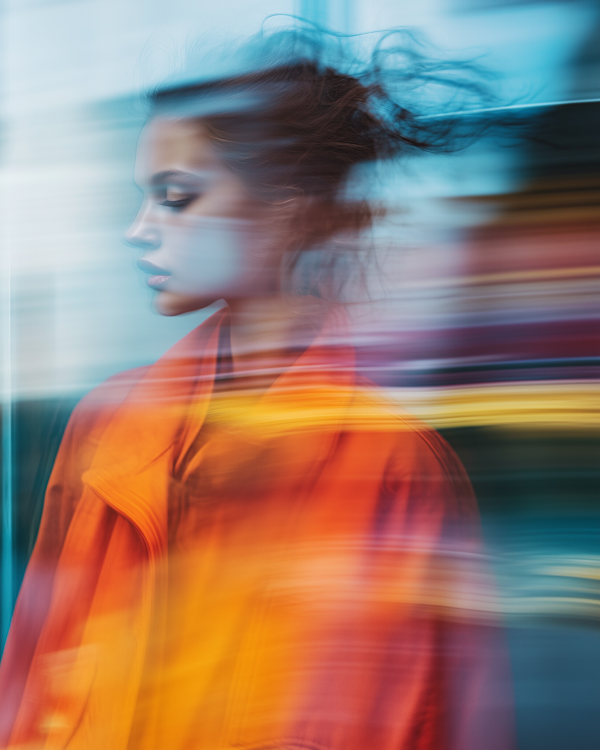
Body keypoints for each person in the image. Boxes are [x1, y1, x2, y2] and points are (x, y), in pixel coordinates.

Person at [0, 26, 513, 750]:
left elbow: (430, 722)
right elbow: (31, 687)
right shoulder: (108, 428)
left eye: (176, 198)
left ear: (289, 210)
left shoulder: (397, 470)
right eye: (145, 197)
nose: (137, 230)